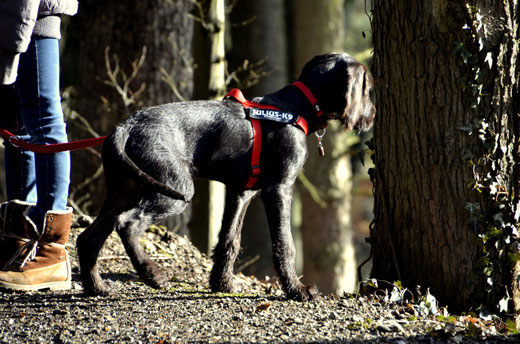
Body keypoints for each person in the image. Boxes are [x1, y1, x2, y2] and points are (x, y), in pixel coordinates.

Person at [0, 0, 78, 291]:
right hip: (9, 20)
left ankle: (51, 250)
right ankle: (18, 240)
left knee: (43, 118)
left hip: (32, 14)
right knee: (15, 124)